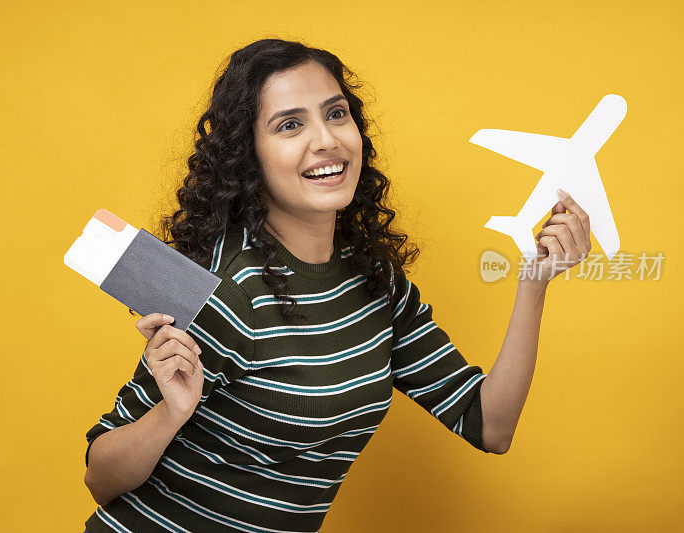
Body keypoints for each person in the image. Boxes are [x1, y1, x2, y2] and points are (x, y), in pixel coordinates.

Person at [81, 38, 593, 532]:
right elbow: (101, 478)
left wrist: (535, 283)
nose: (326, 140)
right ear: (249, 155)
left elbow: (489, 426)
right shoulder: (228, 291)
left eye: (336, 113)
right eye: (289, 125)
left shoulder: (375, 281)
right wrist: (172, 413)